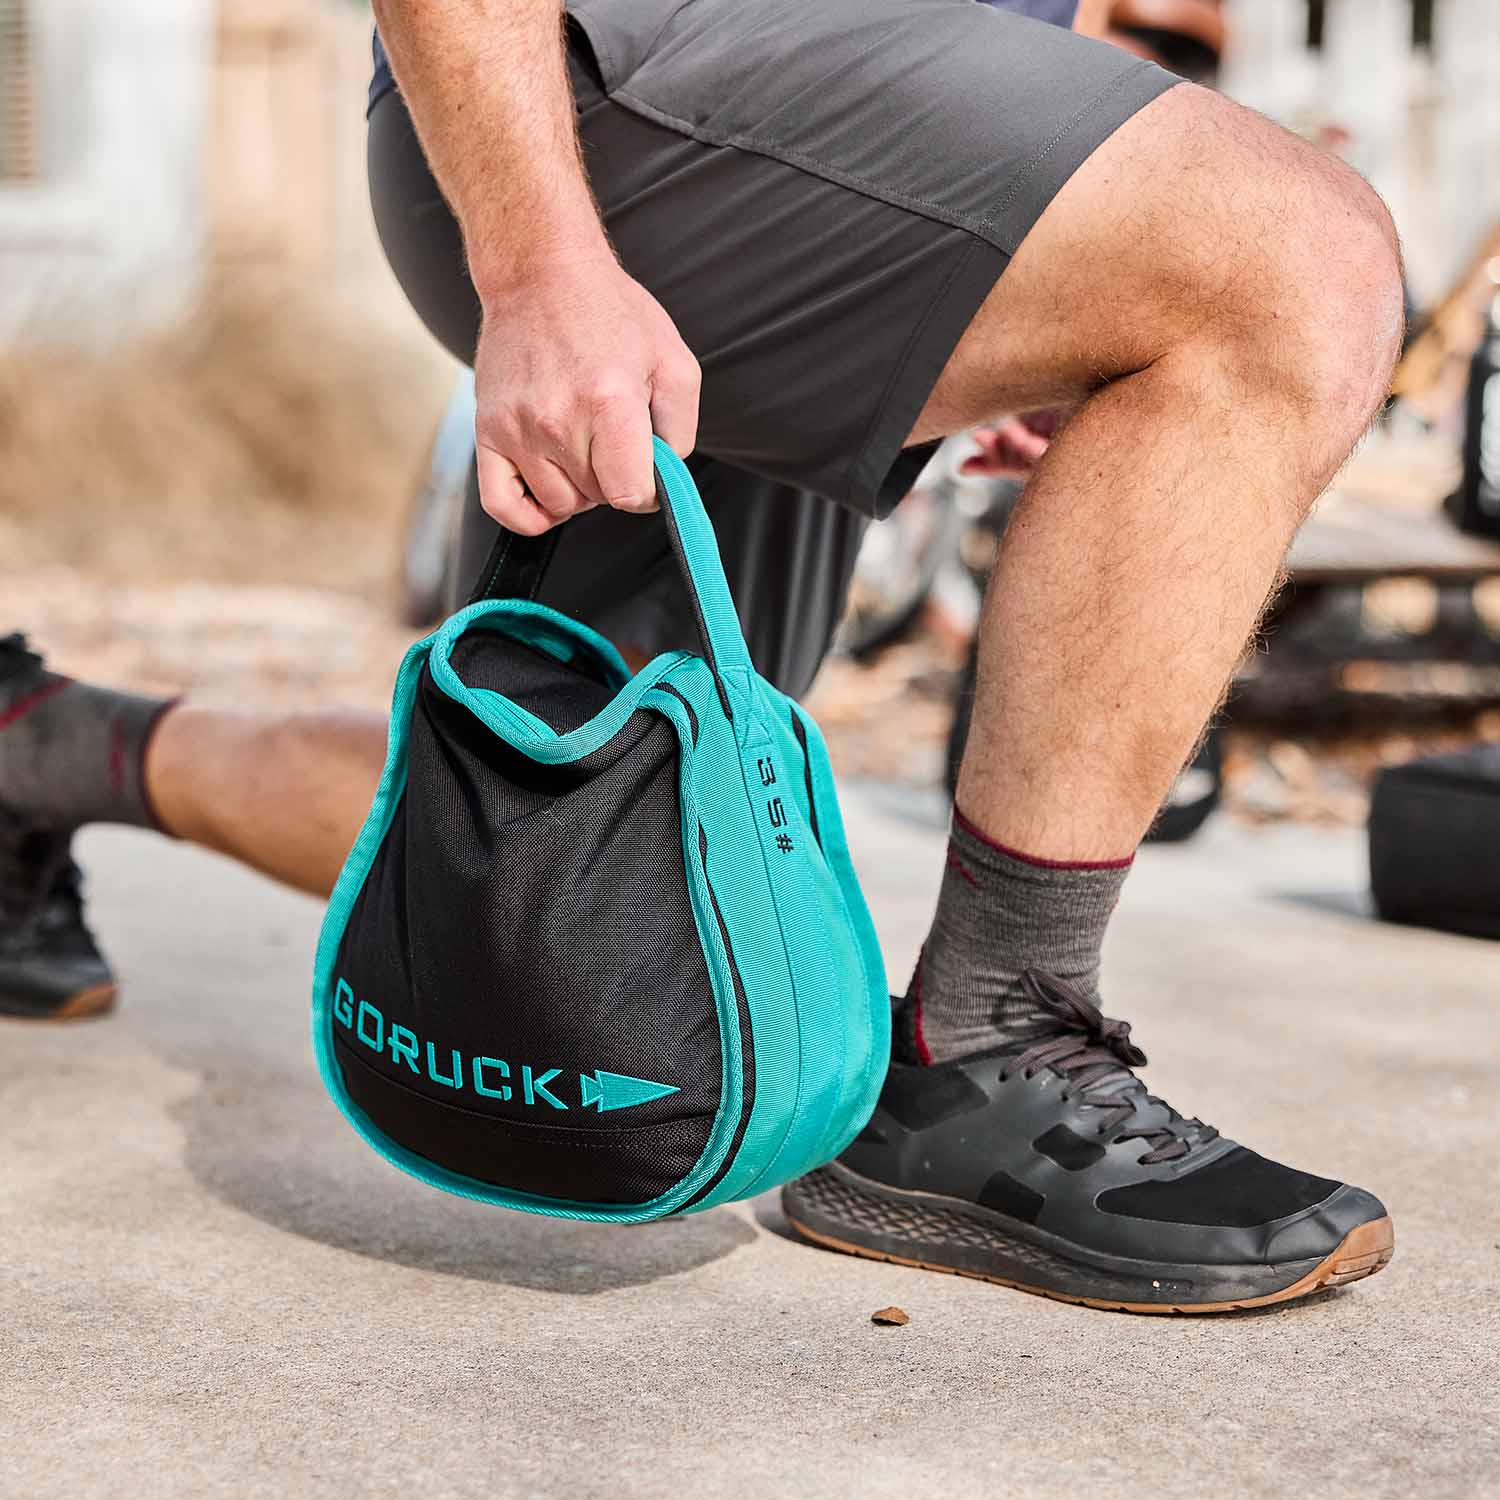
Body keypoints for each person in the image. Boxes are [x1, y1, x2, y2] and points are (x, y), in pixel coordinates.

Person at [0, 0, 1402, 1312]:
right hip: (612, 90)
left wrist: (1068, 271)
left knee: (582, 853)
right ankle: (985, 1048)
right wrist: (540, 266)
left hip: (840, 130)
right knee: (1295, 255)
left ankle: (44, 744)